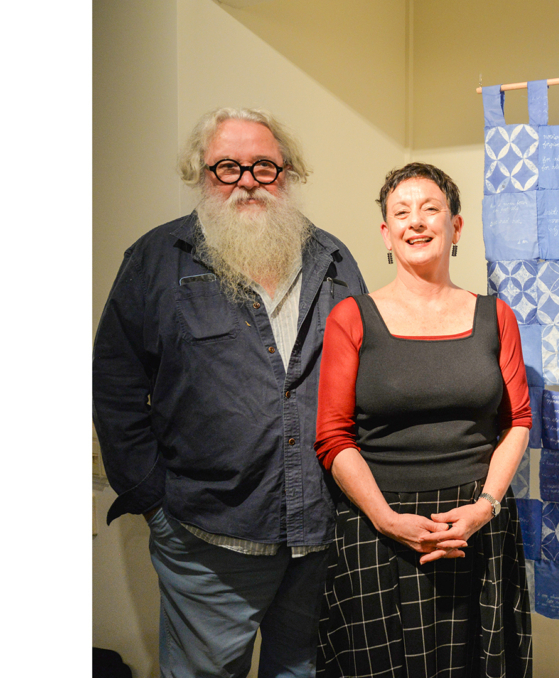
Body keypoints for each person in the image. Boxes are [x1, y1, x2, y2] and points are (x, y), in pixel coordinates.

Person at [93, 107, 367, 677]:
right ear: (202, 174)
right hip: (206, 538)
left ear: (287, 173)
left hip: (319, 532)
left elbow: (368, 376)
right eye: (227, 166)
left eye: (264, 166)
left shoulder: (334, 260)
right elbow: (116, 384)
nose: (247, 179)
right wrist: (152, 497)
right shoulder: (157, 260)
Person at [313, 163, 533, 678]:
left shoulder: (494, 315)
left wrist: (485, 507)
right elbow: (333, 436)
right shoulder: (352, 315)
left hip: (475, 525)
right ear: (386, 234)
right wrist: (386, 519)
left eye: (431, 209)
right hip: (377, 526)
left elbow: (517, 421)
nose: (417, 222)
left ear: (456, 227)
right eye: (401, 213)